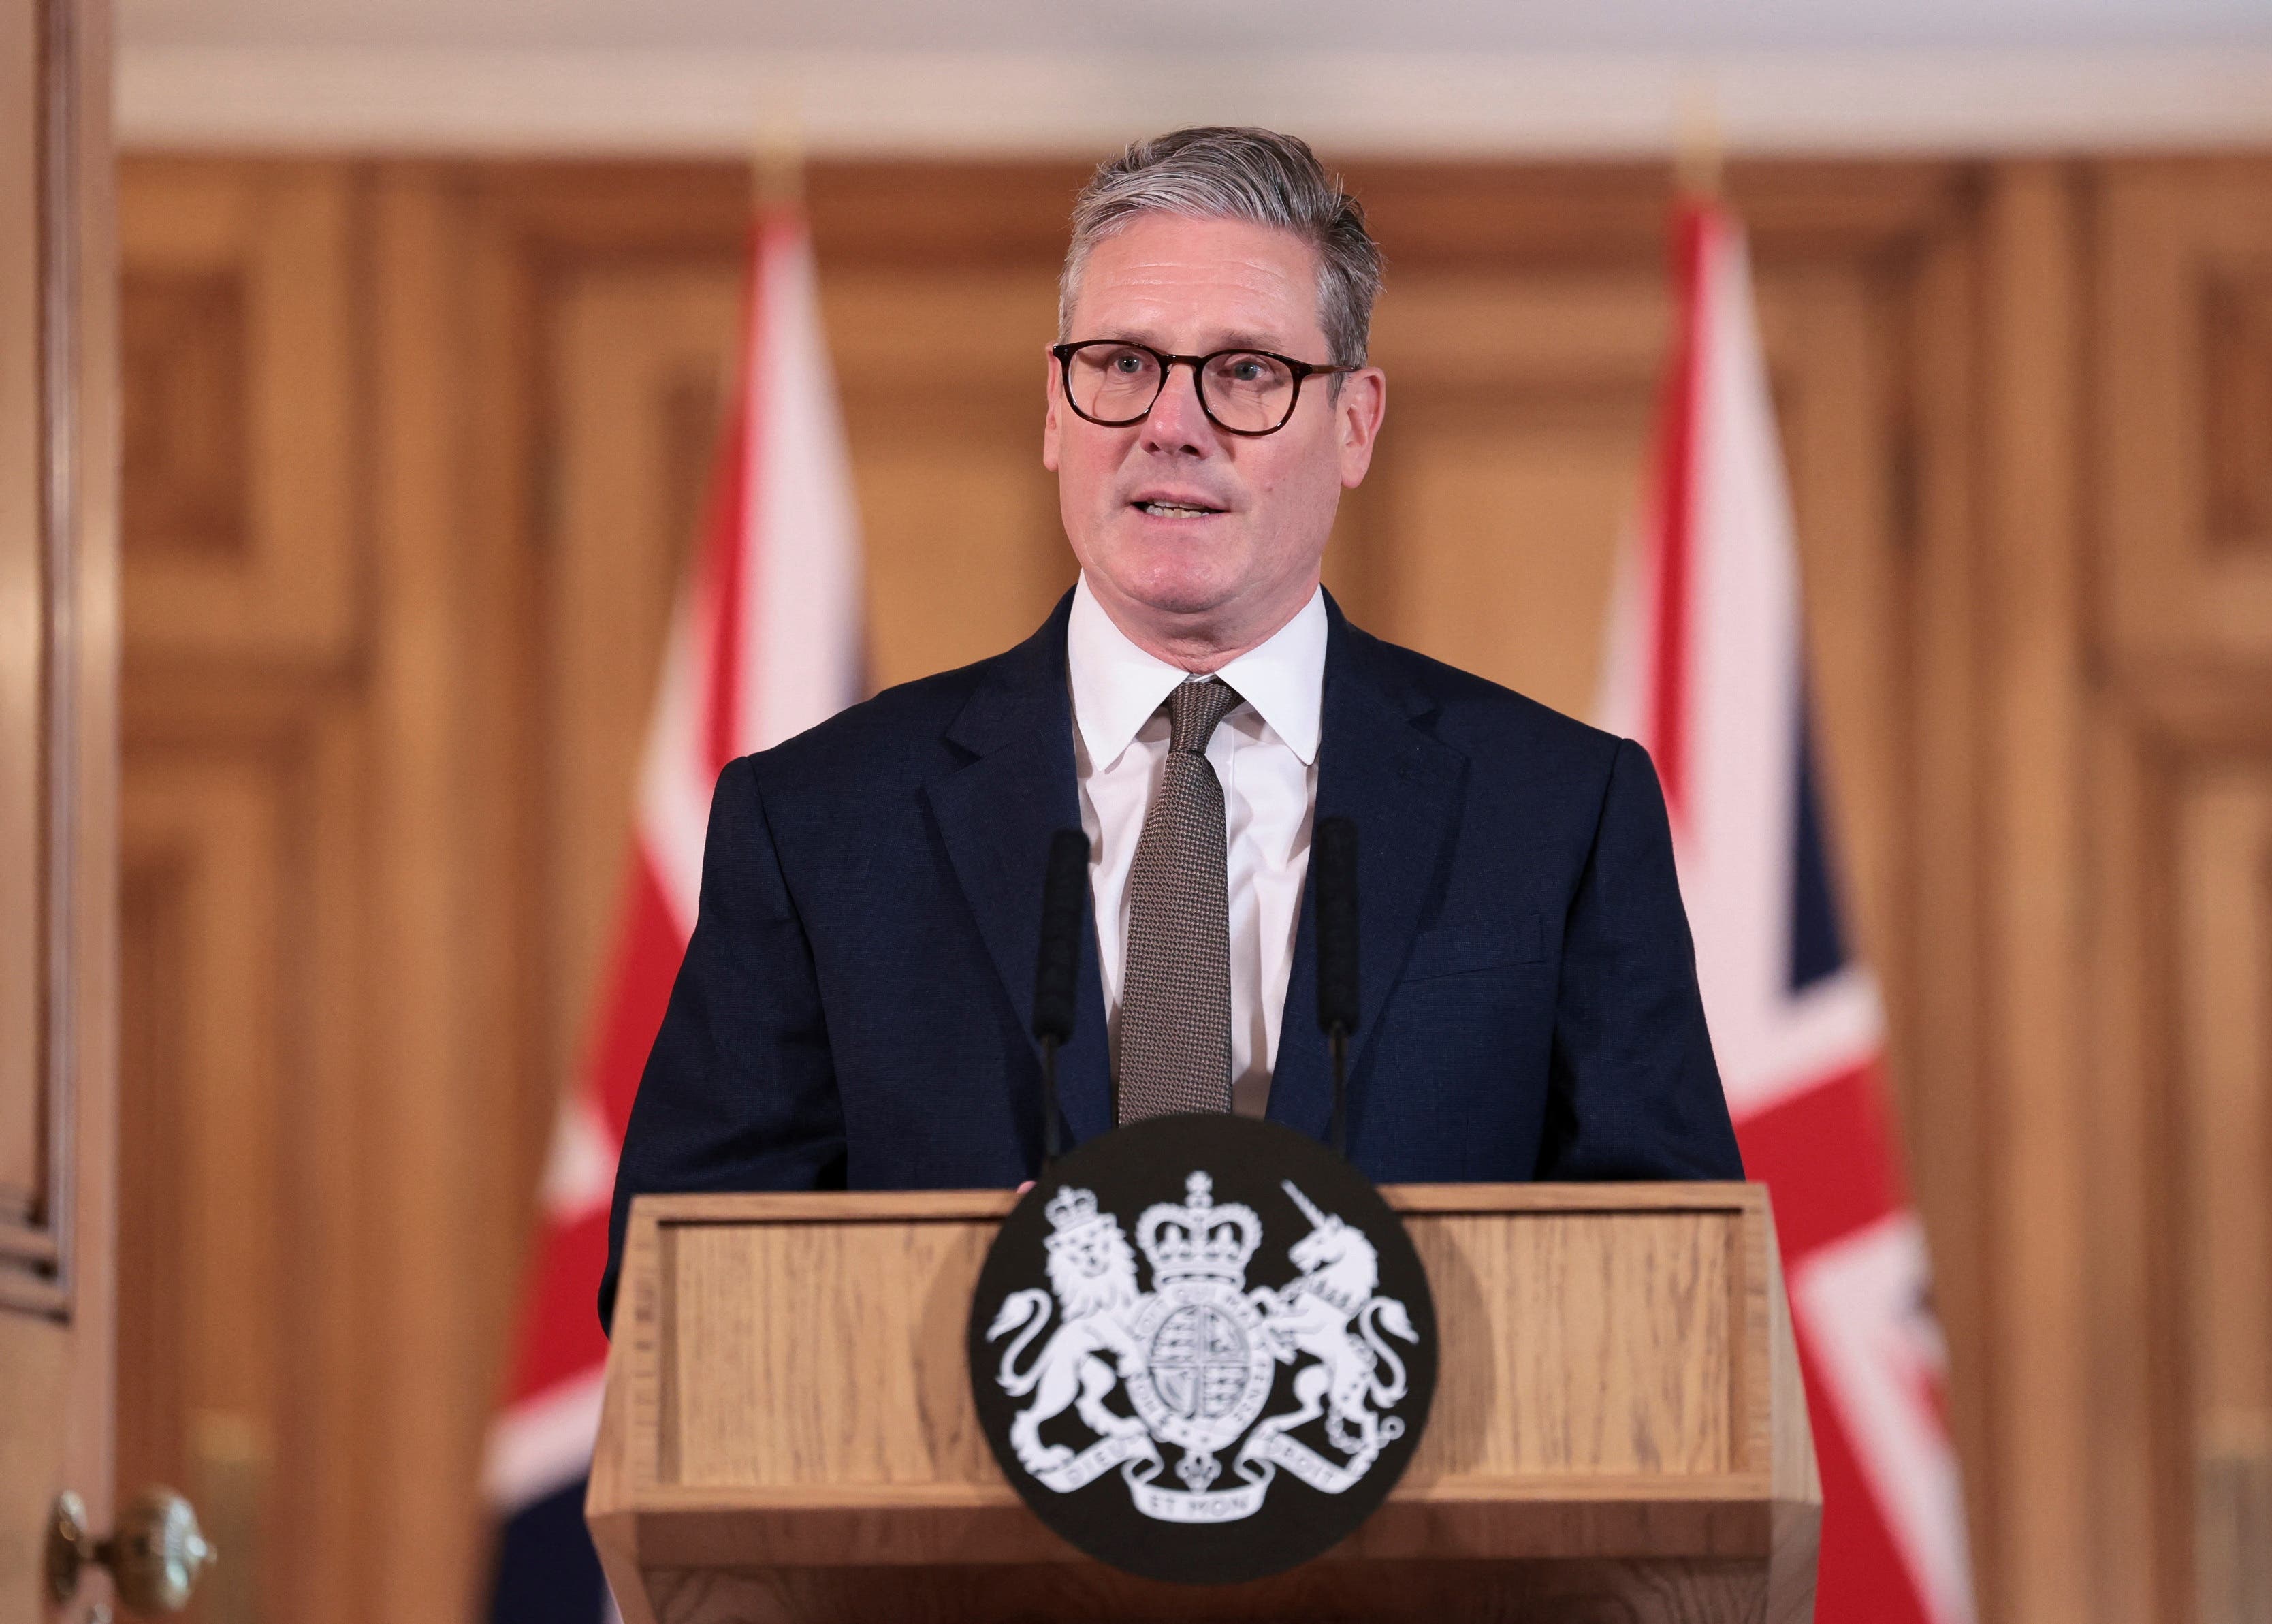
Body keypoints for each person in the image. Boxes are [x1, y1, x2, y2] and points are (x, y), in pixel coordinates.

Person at [600, 127, 1739, 1330]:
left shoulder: (1555, 811)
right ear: (1055, 408)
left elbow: (1674, 1281)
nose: (1170, 424)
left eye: (1245, 371)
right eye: (1123, 364)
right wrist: (948, 1297)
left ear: (1355, 422)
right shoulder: (821, 822)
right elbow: (679, 1292)